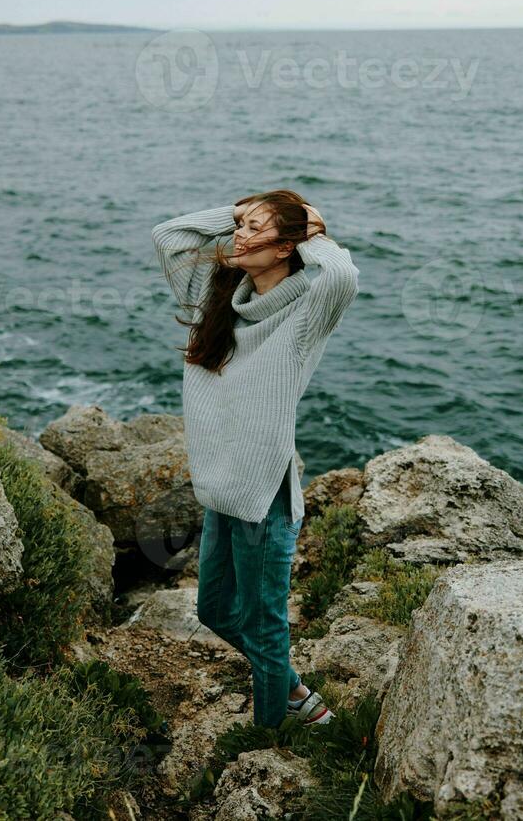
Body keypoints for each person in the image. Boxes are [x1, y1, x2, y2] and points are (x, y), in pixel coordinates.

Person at [150, 189, 359, 728]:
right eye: (240, 225)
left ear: (289, 246)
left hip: (264, 496)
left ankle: (274, 735)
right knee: (214, 611)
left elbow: (341, 276)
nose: (239, 235)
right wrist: (244, 213)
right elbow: (168, 237)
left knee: (265, 629)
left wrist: (315, 232)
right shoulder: (219, 296)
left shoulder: (305, 314)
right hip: (221, 489)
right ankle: (289, 687)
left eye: (255, 229)